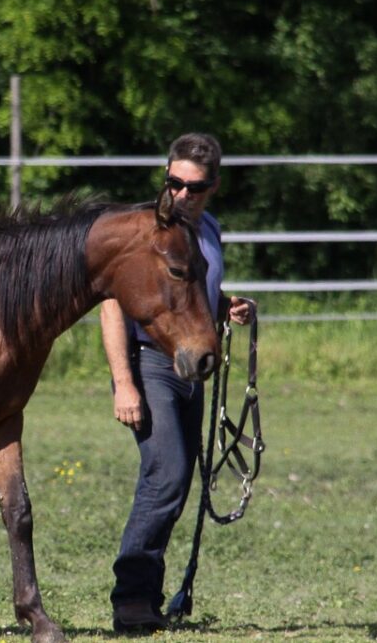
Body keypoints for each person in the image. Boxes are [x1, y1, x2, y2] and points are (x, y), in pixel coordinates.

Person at [100, 132, 253, 632]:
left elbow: (191, 291)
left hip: (190, 367)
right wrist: (123, 381)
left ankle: (146, 594)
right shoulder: (144, 229)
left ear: (214, 187)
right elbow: (109, 304)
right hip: (149, 363)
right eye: (175, 183)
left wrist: (227, 304)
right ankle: (130, 600)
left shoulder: (208, 228)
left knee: (179, 478)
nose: (183, 194)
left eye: (195, 187)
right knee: (166, 472)